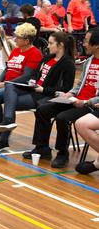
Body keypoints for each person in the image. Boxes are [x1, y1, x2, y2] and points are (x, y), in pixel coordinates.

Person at [23, 28, 99, 168]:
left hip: (90, 105)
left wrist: (86, 101)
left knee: (62, 118)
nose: (84, 43)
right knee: (43, 109)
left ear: (96, 45)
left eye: (87, 41)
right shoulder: (89, 61)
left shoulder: (70, 63)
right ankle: (42, 148)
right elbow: (79, 85)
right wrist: (70, 94)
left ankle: (62, 153)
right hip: (76, 100)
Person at [0, 31, 75, 151]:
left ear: (60, 45)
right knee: (10, 85)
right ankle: (7, 122)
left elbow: (66, 89)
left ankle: (4, 136)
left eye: (50, 43)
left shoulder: (68, 64)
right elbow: (35, 75)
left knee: (9, 100)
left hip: (43, 95)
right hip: (33, 90)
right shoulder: (47, 58)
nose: (48, 46)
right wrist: (32, 82)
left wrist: (43, 89)